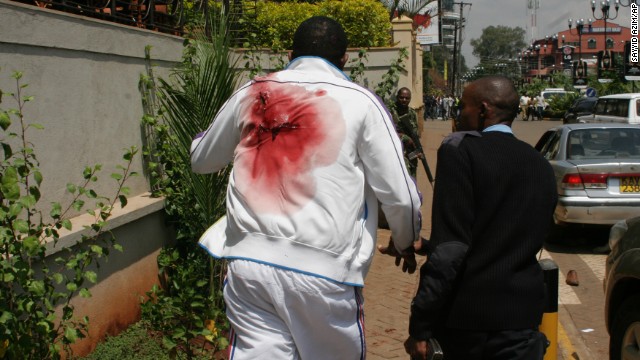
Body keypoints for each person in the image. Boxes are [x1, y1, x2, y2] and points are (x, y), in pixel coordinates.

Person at [190, 16, 422, 359]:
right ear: (344, 59)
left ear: (289, 53)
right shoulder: (362, 102)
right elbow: (400, 195)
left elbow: (201, 159)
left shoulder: (253, 92)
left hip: (249, 266)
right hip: (325, 272)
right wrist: (404, 240)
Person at [382, 75, 558, 360]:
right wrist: (429, 245)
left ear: (483, 110)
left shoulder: (460, 153)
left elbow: (452, 251)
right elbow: (508, 236)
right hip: (522, 321)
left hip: (470, 325)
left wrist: (420, 327)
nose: (459, 114)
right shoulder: (541, 165)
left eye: (463, 106)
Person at [391, 87, 420, 177]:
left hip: (410, 154)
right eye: (401, 97)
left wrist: (417, 149)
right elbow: (387, 133)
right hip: (396, 153)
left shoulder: (412, 113)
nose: (404, 100)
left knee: (412, 179)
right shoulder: (390, 112)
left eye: (407, 98)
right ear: (397, 97)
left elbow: (416, 133)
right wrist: (405, 138)